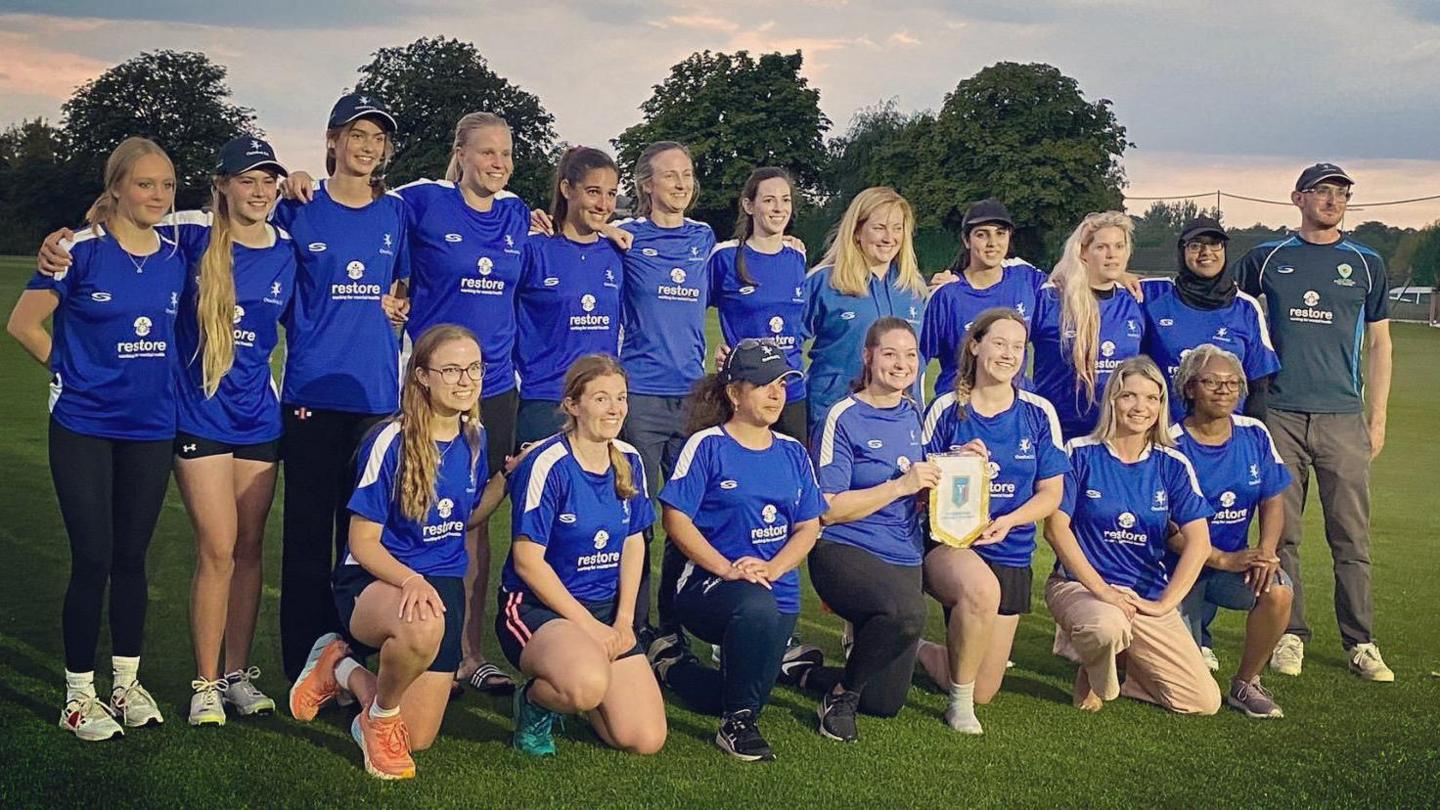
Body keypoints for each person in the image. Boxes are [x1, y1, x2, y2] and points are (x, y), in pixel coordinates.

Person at [7, 137, 185, 739]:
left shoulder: (176, 252)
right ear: (116, 189)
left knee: (133, 560)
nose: (158, 195)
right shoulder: (77, 251)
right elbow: (23, 323)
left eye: (166, 185)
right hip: (84, 425)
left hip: (152, 427)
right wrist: (72, 372)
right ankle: (78, 695)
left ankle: (125, 683)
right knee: (93, 558)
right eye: (145, 185)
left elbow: (244, 206)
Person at [288, 325, 499, 780]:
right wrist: (410, 580)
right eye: (452, 370)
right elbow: (362, 542)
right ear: (421, 376)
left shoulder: (477, 438)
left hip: (439, 588)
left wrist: (505, 481)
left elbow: (464, 517)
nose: (466, 380)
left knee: (418, 736)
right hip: (377, 579)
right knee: (423, 624)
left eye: (475, 368)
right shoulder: (391, 440)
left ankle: (340, 668)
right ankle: (376, 720)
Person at [269, 93, 411, 682]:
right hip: (311, 396)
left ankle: (353, 655)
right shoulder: (298, 206)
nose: (368, 147)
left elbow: (403, 284)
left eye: (378, 138)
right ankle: (306, 657)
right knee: (306, 540)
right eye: (358, 135)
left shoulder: (394, 214)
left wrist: (401, 305)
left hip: (376, 403)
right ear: (332, 141)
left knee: (363, 542)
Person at [1234, 163, 1395, 681]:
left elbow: (1379, 342)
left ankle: (1361, 642)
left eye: (1340, 193)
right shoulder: (1266, 258)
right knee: (1282, 537)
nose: (1332, 200)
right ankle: (1290, 636)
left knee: (1350, 536)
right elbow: (1215, 296)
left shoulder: (1366, 263)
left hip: (1343, 417)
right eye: (1321, 192)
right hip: (1277, 415)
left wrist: (1377, 418)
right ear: (1297, 198)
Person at [168, 138, 296, 724]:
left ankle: (239, 677)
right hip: (200, 416)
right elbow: (119, 223)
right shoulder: (190, 235)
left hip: (258, 420)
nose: (261, 191)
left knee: (248, 550)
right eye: (248, 180)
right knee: (217, 549)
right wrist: (64, 239)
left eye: (268, 180)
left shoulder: (286, 250)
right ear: (221, 184)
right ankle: (205, 682)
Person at [651, 340, 824, 761]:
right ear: (734, 393)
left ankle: (671, 666)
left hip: (773, 588)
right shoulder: (708, 445)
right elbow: (675, 518)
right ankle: (737, 727)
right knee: (753, 625)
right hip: (710, 587)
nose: (776, 393)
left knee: (738, 689)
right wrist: (728, 569)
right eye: (764, 384)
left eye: (782, 383)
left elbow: (809, 526)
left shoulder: (792, 452)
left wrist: (772, 567)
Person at [497, 355, 667, 757]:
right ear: (573, 405)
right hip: (540, 609)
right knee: (583, 684)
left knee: (645, 739)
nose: (615, 409)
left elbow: (633, 542)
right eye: (601, 398)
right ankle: (538, 705)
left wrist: (624, 621)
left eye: (621, 398)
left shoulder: (630, 458)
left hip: (606, 611)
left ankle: (582, 687)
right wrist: (590, 628)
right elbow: (527, 561)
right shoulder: (548, 463)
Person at [1043, 356, 1221, 715]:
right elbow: (1055, 529)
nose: (1140, 407)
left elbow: (1199, 542)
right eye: (1129, 396)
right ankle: (1098, 671)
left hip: (1144, 596)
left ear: (1161, 406)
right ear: (1113, 400)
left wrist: (1164, 603)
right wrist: (1104, 592)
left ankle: (1123, 669)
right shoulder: (1079, 453)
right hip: (1082, 587)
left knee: (1203, 702)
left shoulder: (1172, 463)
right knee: (1106, 626)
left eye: (1152, 399)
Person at [918, 308, 1068, 732]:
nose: (1008, 354)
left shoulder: (1039, 412)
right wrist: (954, 464)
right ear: (975, 345)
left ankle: (911, 648)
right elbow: (919, 480)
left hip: (1011, 549)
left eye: (1018, 347)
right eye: (999, 343)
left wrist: (1009, 521)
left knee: (985, 687)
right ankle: (958, 708)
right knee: (981, 591)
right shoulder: (946, 408)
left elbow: (1051, 494)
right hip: (952, 544)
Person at [798, 318, 933, 742]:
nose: (901, 363)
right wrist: (900, 486)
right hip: (845, 548)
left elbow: (922, 479)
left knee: (885, 703)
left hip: (904, 550)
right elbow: (828, 509)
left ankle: (804, 673)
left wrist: (960, 466)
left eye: (910, 355)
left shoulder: (914, 412)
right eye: (890, 353)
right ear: (868, 356)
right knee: (909, 612)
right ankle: (840, 697)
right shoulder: (843, 415)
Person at [612, 141, 716, 646]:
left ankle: (672, 624)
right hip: (642, 397)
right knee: (637, 516)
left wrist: (789, 246)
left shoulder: (704, 237)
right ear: (646, 185)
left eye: (687, 174)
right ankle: (631, 622)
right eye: (669, 176)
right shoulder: (626, 236)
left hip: (693, 398)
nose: (680, 183)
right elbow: (583, 234)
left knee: (685, 511)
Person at [1169, 345, 1294, 718]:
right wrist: (1220, 558)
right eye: (1211, 381)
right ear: (1190, 388)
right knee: (1188, 689)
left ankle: (1246, 683)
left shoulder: (1254, 434)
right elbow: (1165, 528)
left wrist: (1266, 552)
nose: (1224, 390)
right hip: (1175, 572)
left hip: (1235, 567)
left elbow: (1274, 499)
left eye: (1233, 383)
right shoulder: (1170, 442)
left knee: (1279, 590)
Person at [513, 148, 625, 447]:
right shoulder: (533, 249)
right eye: (593, 192)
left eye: (611, 194)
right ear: (566, 189)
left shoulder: (617, 252)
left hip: (602, 401)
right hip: (546, 400)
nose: (604, 204)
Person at [803, 187, 927, 433]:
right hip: (834, 415)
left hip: (899, 419)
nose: (889, 237)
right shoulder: (824, 281)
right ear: (857, 231)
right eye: (879, 227)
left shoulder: (913, 289)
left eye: (897, 228)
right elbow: (788, 343)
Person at [1139, 216, 1279, 424]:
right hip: (1164, 435)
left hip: (1224, 437)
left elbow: (1258, 383)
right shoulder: (1152, 294)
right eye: (1196, 245)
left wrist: (1251, 435)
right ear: (1182, 251)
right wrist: (1123, 276)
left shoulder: (1245, 307)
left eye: (1215, 244)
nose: (1206, 253)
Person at [708, 167, 810, 440]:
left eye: (785, 200)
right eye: (769, 200)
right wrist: (717, 354)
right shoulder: (725, 256)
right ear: (749, 205)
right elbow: (688, 312)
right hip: (746, 393)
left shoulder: (797, 257)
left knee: (791, 476)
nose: (779, 208)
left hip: (791, 390)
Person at [1031, 212, 1144, 440]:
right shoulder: (1050, 299)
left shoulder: (1136, 299)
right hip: (1057, 436)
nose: (1112, 255)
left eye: (1119, 246)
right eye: (1101, 247)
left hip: (1114, 437)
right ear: (1083, 252)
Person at [920, 200, 1047, 394]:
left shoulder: (1026, 278)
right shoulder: (947, 295)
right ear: (966, 240)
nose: (992, 243)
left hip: (1015, 410)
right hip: (961, 410)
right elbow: (917, 360)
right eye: (982, 235)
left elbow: (1068, 283)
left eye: (1000, 233)